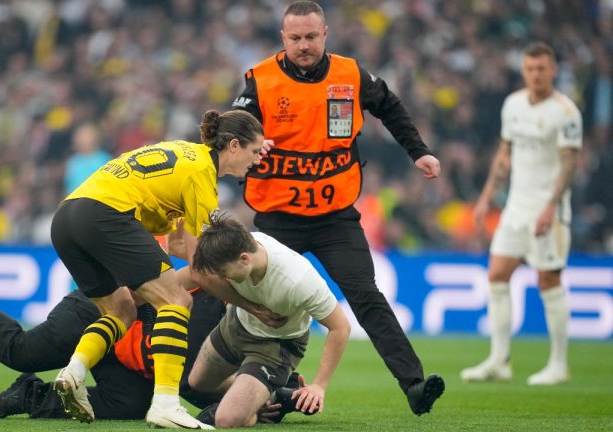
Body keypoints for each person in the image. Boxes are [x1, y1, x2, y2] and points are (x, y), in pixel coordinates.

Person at [231, 0, 444, 415]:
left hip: (334, 218)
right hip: (277, 220)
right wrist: (252, 144)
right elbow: (231, 130)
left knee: (366, 296)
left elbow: (391, 107)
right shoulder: (261, 81)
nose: (304, 45)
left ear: (325, 34)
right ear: (283, 37)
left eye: (311, 37)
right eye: (295, 38)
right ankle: (231, 389)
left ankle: (415, 385)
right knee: (242, 302)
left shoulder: (351, 74)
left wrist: (418, 152)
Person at [50, 109, 268, 428]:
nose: (256, 160)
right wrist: (251, 305)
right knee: (177, 301)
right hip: (107, 214)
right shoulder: (202, 175)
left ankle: (73, 373)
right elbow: (203, 269)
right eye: (254, 151)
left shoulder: (183, 153)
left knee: (122, 310)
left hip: (68, 218)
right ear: (233, 146)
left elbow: (182, 244)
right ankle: (165, 402)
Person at [0, 266, 226, 419]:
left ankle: (31, 396)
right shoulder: (211, 308)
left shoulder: (224, 310)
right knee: (22, 351)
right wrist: (239, 400)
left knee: (131, 402)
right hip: (101, 308)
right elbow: (189, 380)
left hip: (124, 343)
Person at [460, 42, 582, 386]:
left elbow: (570, 164)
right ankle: (500, 361)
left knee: (548, 280)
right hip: (515, 207)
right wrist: (485, 198)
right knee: (497, 275)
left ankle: (558, 364)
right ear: (524, 70)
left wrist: (551, 206)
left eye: (542, 68)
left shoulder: (566, 112)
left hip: (550, 210)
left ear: (553, 70)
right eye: (530, 68)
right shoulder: (513, 105)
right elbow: (504, 155)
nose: (536, 74)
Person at [181, 212, 350, 428]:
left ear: (244, 259)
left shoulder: (298, 279)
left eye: (223, 272)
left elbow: (340, 327)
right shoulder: (232, 247)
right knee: (197, 383)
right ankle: (272, 398)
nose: (222, 278)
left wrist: (319, 386)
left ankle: (246, 408)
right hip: (236, 324)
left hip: (276, 346)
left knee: (227, 419)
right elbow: (195, 275)